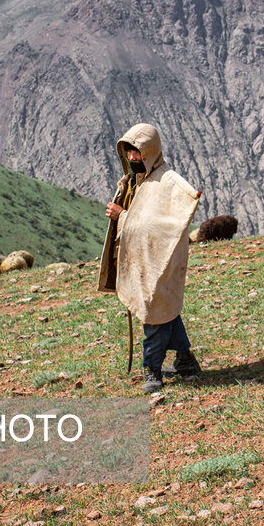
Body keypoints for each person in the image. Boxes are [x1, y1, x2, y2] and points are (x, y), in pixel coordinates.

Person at [97, 123, 202, 393]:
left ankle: (151, 369)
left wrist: (122, 216)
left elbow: (160, 225)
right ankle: (186, 360)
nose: (133, 158)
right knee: (164, 308)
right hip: (143, 260)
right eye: (129, 152)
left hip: (162, 261)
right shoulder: (133, 182)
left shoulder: (167, 182)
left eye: (138, 152)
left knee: (154, 313)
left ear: (150, 152)